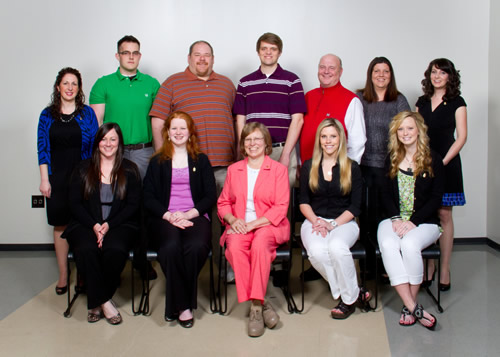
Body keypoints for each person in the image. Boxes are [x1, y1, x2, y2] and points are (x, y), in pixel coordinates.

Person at [149, 40, 236, 281]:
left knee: (226, 219)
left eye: (206, 55)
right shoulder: (173, 83)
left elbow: (236, 121)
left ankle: (225, 268)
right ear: (189, 58)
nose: (202, 59)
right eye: (197, 55)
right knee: (194, 217)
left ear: (213, 59)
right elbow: (158, 121)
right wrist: (162, 158)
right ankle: (185, 269)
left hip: (225, 165)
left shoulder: (227, 84)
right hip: (188, 169)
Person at [90, 35, 161, 279]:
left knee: (141, 205)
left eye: (135, 52)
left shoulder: (152, 84)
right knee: (112, 203)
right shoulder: (103, 84)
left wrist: (159, 155)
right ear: (117, 56)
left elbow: (158, 122)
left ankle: (142, 260)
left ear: (139, 56)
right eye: (126, 52)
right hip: (113, 152)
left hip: (143, 151)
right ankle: (112, 256)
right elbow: (96, 123)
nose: (131, 56)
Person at [63, 123, 142, 325]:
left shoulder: (130, 169)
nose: (108, 144)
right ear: (97, 142)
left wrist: (108, 225)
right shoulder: (82, 168)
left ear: (119, 143)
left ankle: (95, 302)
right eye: (104, 139)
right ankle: (105, 302)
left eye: (113, 139)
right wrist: (95, 226)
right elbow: (74, 204)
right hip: (86, 222)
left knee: (115, 249)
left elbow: (133, 205)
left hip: (119, 223)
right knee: (86, 249)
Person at [143, 111, 216, 328]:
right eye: (173, 128)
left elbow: (210, 195)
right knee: (170, 246)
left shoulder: (201, 160)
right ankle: (184, 306)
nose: (178, 132)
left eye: (182, 128)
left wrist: (188, 214)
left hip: (193, 214)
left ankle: (177, 304)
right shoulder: (157, 161)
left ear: (190, 132)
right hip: (165, 217)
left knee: (195, 247)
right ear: (167, 132)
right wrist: (169, 216)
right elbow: (148, 196)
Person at [217, 122, 290, 337]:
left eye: (257, 139)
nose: (252, 143)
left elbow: (280, 207)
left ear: (266, 143)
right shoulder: (234, 170)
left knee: (259, 243)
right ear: (243, 145)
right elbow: (223, 203)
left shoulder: (278, 170)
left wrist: (252, 224)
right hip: (240, 225)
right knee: (234, 246)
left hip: (268, 225)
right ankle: (260, 301)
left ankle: (256, 309)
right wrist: (232, 220)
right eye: (248, 139)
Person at [377, 111, 444, 330]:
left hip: (425, 222)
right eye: (401, 129)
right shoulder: (392, 158)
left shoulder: (433, 159)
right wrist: (396, 219)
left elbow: (436, 199)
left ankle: (409, 305)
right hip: (394, 218)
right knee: (388, 243)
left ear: (419, 131)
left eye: (410, 128)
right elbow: (385, 195)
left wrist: (413, 221)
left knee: (409, 244)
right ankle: (412, 306)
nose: (405, 133)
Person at [299, 118, 370, 320]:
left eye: (333, 136)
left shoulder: (352, 167)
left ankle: (347, 301)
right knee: (316, 251)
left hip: (344, 221)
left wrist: (332, 224)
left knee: (338, 248)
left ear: (340, 139)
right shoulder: (308, 166)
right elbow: (303, 201)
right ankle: (354, 292)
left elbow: (355, 206)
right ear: (319, 140)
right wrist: (316, 221)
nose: (328, 141)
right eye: (324, 136)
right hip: (314, 219)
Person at [37, 67, 98, 295]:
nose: (70, 88)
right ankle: (63, 274)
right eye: (66, 83)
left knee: (83, 223)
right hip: (56, 178)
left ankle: (83, 272)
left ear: (79, 88)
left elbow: (95, 149)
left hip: (83, 177)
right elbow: (42, 149)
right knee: (60, 224)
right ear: (58, 87)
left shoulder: (87, 114)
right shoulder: (47, 115)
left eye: (74, 84)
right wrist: (45, 180)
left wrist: (95, 178)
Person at [416, 58, 467, 291]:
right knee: (427, 215)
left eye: (442, 73)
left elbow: (462, 137)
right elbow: (414, 134)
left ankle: (444, 267)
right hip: (423, 165)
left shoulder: (457, 101)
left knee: (445, 215)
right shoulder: (422, 102)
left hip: (447, 165)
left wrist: (442, 161)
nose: (437, 76)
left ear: (450, 77)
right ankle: (429, 267)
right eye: (434, 72)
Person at [356, 57, 410, 275]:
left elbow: (408, 129)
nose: (381, 75)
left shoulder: (398, 99)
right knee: (366, 218)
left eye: (385, 71)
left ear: (391, 75)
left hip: (390, 167)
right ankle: (368, 268)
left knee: (386, 218)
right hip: (364, 166)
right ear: (370, 74)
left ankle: (386, 268)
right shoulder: (360, 98)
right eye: (376, 71)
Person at [233, 32, 306, 185]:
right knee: (252, 198)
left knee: (283, 201)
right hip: (253, 149)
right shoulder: (245, 83)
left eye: (273, 49)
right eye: (264, 48)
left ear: (279, 52)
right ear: (258, 52)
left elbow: (298, 120)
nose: (268, 52)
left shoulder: (292, 81)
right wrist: (243, 149)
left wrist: (286, 154)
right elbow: (240, 120)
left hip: (282, 148)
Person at [300, 54, 366, 164]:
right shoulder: (308, 96)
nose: (326, 71)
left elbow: (357, 142)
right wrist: (298, 162)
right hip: (306, 168)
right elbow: (299, 134)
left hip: (336, 171)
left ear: (340, 72)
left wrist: (349, 168)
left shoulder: (351, 100)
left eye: (332, 68)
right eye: (322, 67)